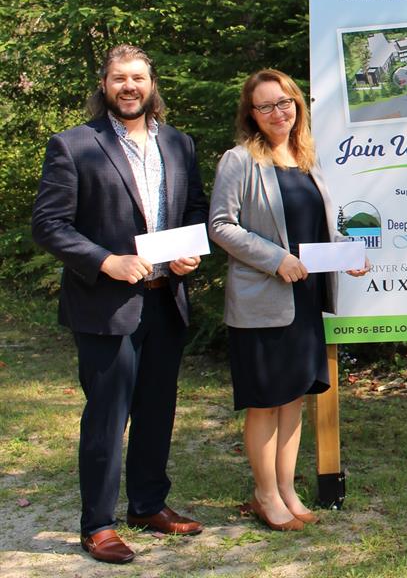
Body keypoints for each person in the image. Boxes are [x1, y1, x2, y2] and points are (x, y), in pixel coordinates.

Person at [31, 44, 208, 564]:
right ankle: (99, 525)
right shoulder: (74, 145)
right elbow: (49, 225)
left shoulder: (179, 144)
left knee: (157, 410)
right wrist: (105, 261)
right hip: (106, 307)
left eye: (138, 77)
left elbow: (193, 208)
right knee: (107, 418)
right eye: (118, 79)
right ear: (104, 86)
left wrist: (188, 254)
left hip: (165, 300)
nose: (129, 86)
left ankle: (148, 504)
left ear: (152, 84)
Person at [208, 69, 368, 532]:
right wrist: (276, 258)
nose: (278, 112)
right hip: (262, 301)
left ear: (297, 105)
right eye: (266, 106)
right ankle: (264, 495)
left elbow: (315, 229)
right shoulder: (239, 161)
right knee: (266, 402)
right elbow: (221, 226)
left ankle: (286, 490)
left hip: (305, 299)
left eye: (285, 102)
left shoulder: (305, 159)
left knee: (294, 398)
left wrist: (346, 254)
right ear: (252, 115)